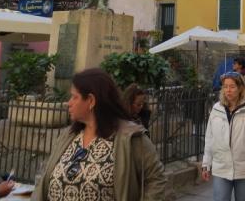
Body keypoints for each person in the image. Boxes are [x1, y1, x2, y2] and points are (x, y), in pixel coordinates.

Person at [32, 68, 172, 201]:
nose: (69, 103)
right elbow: (44, 179)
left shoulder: (130, 137)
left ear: (91, 100)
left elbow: (156, 179)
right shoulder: (68, 135)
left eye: (74, 97)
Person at [202, 71, 245, 201]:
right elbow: (209, 139)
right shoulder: (216, 109)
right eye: (225, 86)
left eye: (232, 86)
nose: (228, 90)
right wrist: (206, 164)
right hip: (221, 167)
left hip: (243, 169)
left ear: (240, 88)